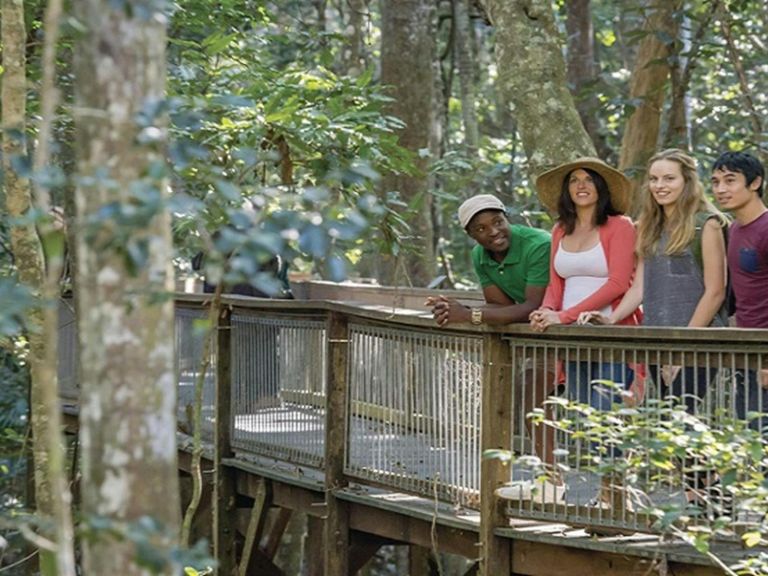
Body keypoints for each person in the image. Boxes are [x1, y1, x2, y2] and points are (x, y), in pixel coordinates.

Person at [579, 149, 729, 506]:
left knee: (679, 416)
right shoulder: (648, 226)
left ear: (687, 181)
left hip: (699, 339)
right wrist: (611, 319)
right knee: (668, 422)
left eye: (669, 178)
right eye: (655, 178)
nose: (660, 186)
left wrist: (684, 346)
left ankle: (714, 494)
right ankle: (706, 499)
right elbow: (639, 288)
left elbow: (716, 291)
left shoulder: (706, 224)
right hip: (657, 337)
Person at [425, 194, 558, 501]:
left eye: (498, 221)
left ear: (506, 217)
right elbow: (500, 306)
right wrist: (457, 309)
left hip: (565, 324)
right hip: (539, 334)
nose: (493, 231)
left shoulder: (538, 244)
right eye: (482, 229)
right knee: (531, 391)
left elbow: (530, 307)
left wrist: (467, 314)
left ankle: (595, 488)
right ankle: (551, 482)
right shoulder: (479, 255)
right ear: (471, 235)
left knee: (545, 390)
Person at [711, 151, 768, 429]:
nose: (721, 189)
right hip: (745, 350)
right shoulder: (733, 229)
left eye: (730, 180)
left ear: (755, 182)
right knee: (751, 441)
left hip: (765, 354)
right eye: (716, 182)